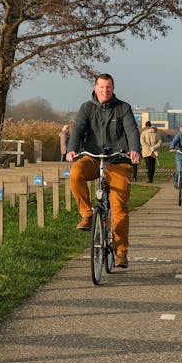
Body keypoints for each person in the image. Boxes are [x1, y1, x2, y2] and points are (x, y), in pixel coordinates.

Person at [65, 73, 142, 268]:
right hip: (92, 157)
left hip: (118, 161)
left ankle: (121, 252)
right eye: (101, 87)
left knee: (118, 208)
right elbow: (78, 130)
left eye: (108, 87)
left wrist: (134, 150)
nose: (105, 90)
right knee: (75, 173)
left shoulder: (122, 108)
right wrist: (71, 149)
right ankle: (87, 214)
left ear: (113, 88)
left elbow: (132, 130)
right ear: (95, 87)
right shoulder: (87, 108)